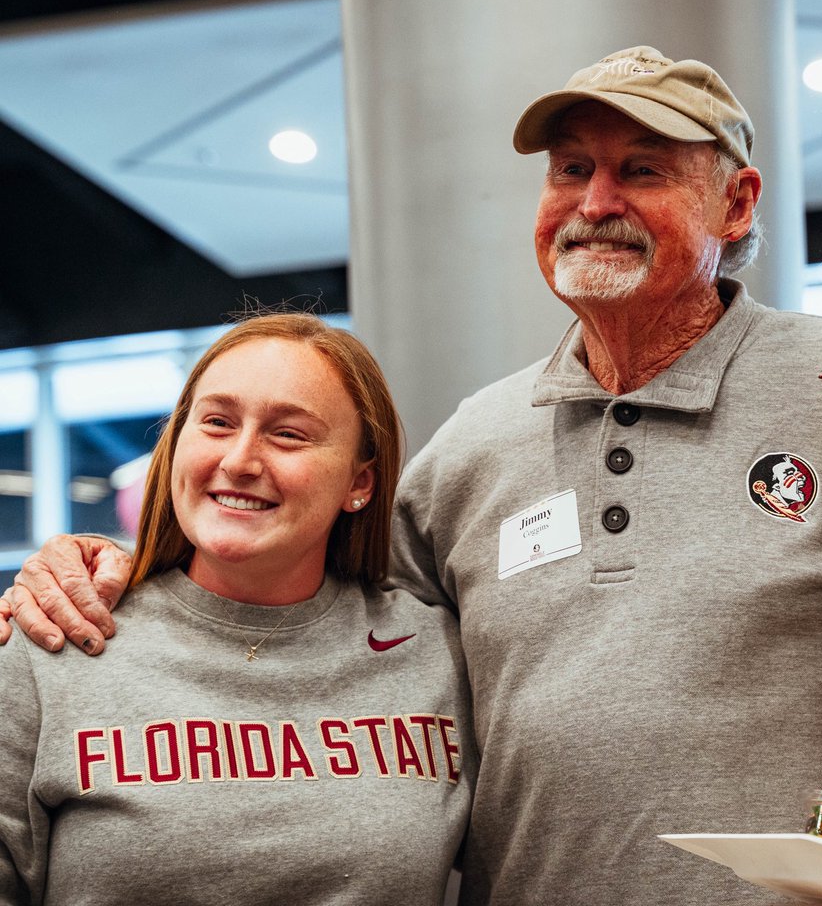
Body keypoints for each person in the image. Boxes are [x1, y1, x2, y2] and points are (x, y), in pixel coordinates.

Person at [5, 48, 822, 906]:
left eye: (641, 170)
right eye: (570, 170)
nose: (595, 203)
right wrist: (112, 566)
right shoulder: (471, 447)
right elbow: (320, 604)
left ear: (737, 201)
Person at [0, 314, 473, 905]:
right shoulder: (51, 637)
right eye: (218, 423)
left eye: (289, 434)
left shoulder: (438, 655)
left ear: (361, 483)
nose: (240, 460)